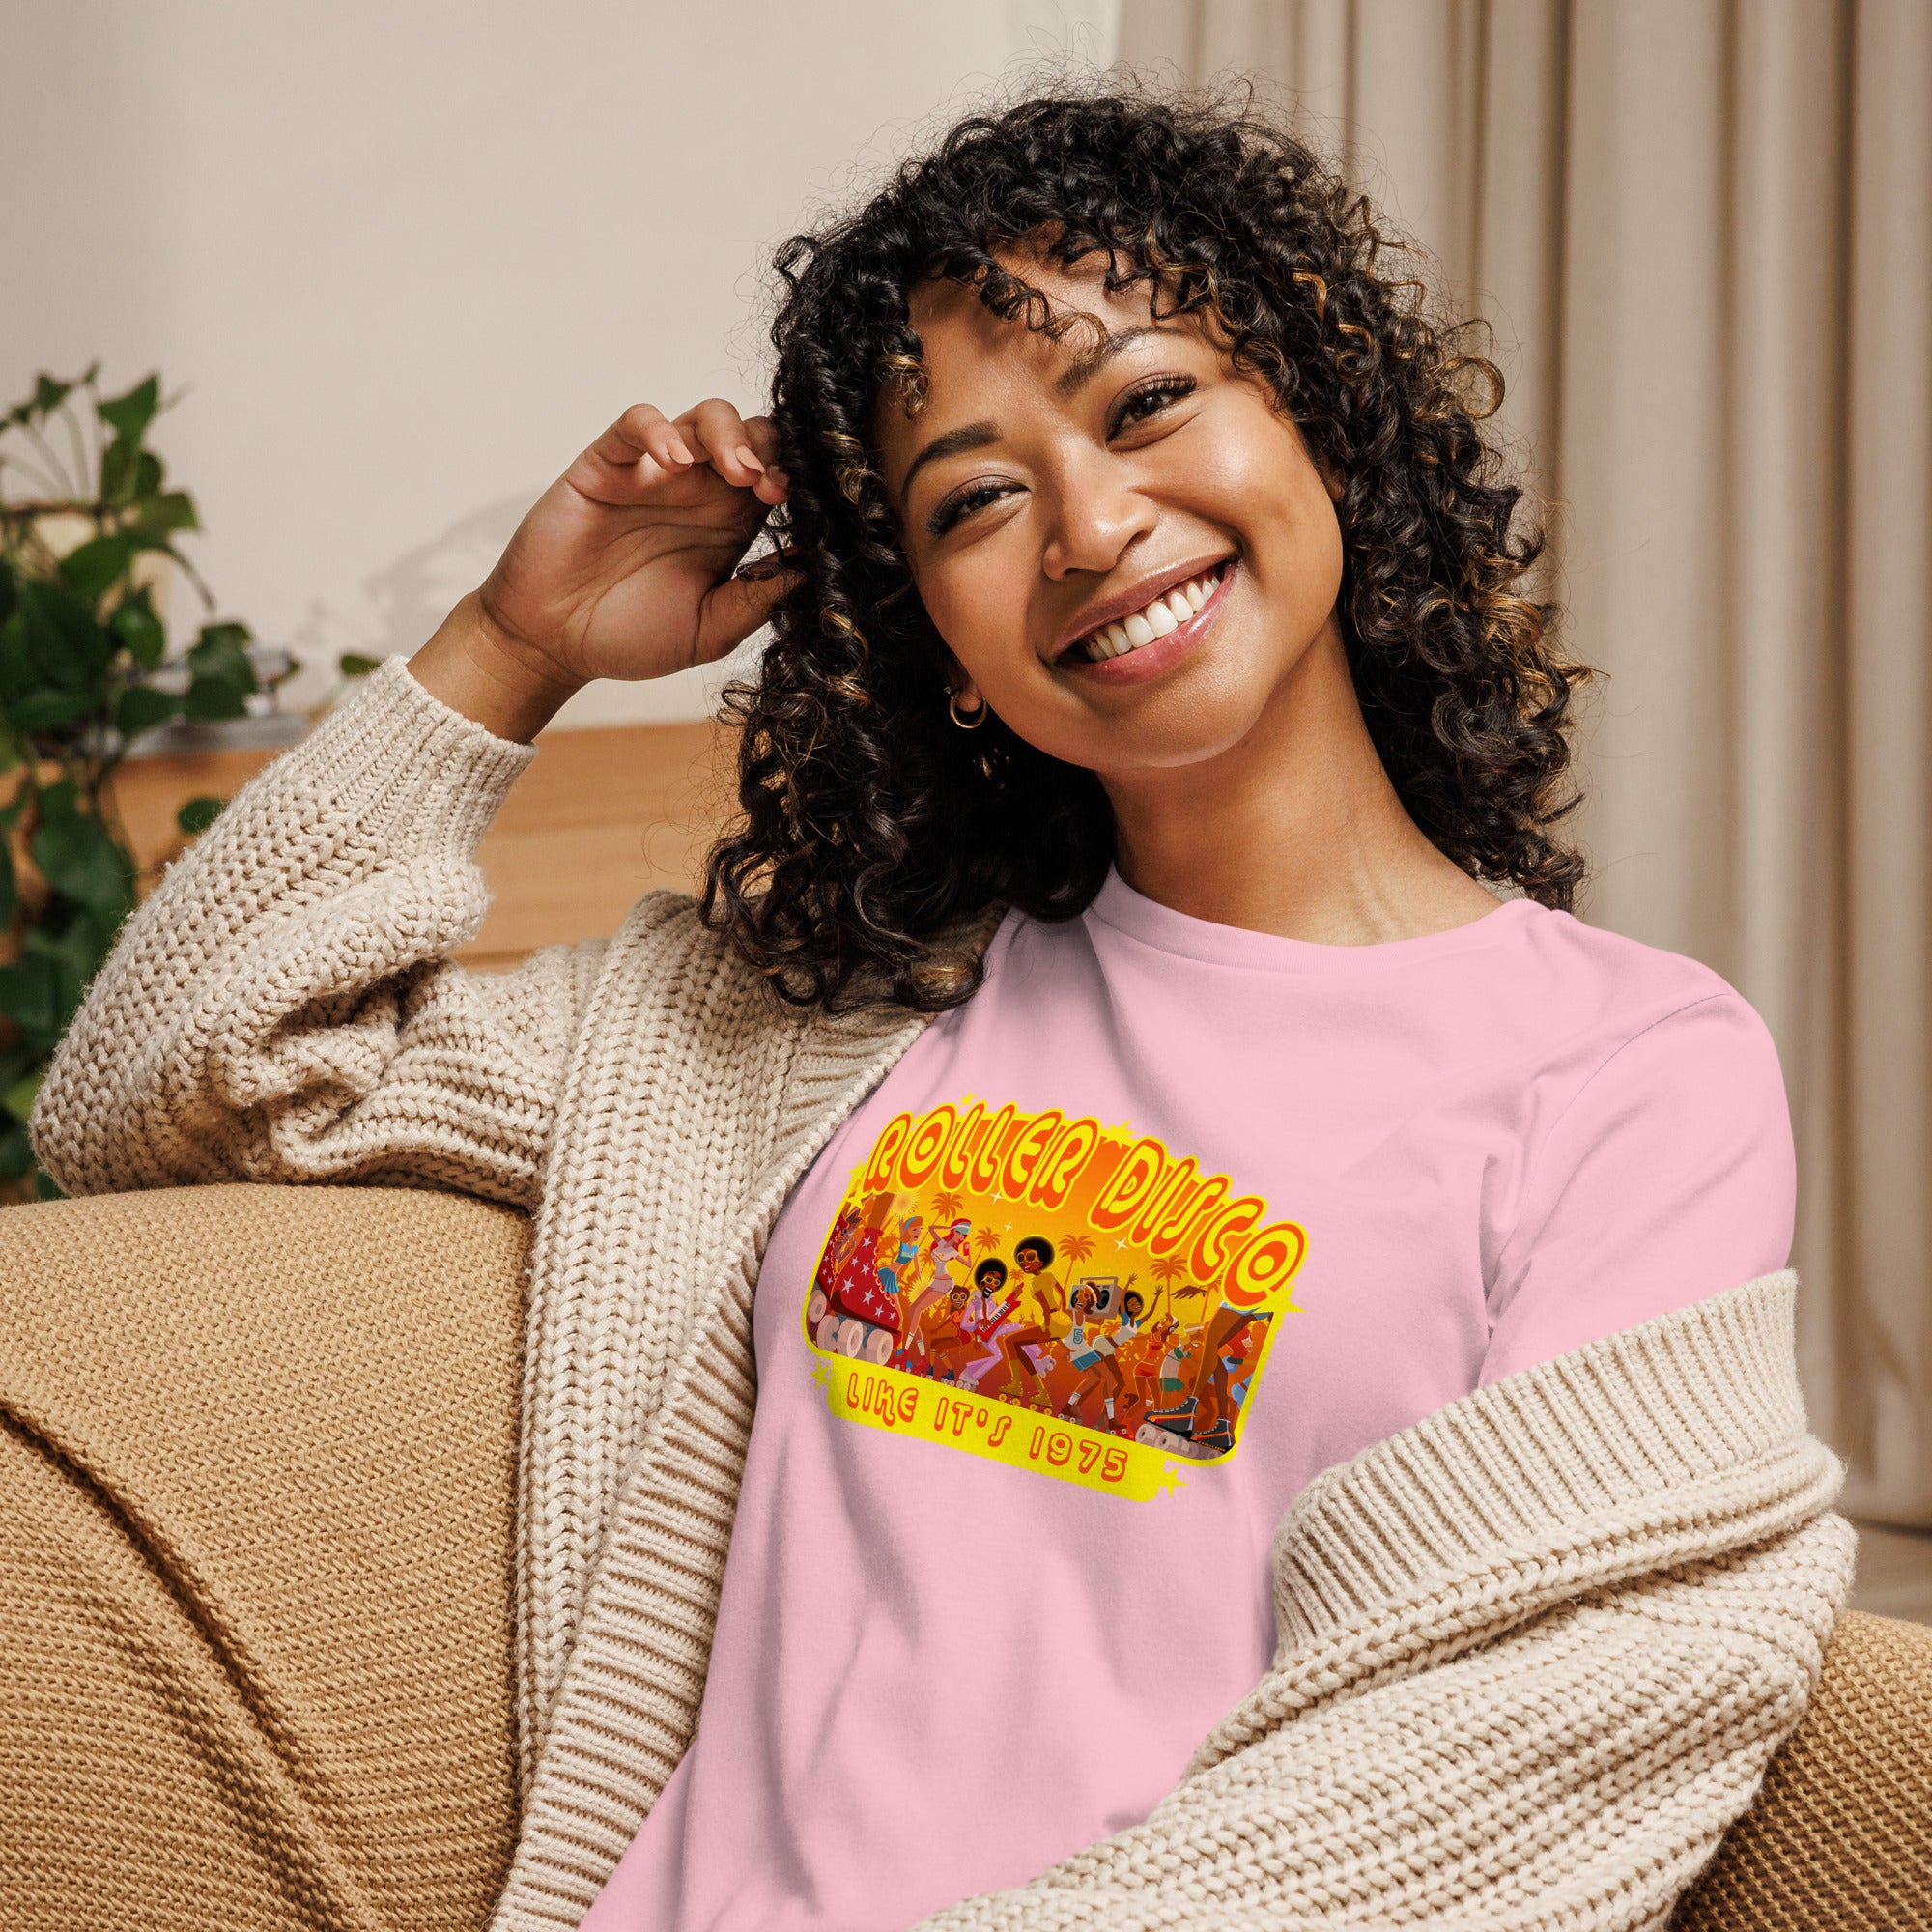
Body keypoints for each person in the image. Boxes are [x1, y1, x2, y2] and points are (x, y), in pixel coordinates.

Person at [21, 85, 1848, 1932]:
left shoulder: (1625, 1071)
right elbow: (175, 1088)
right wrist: (513, 646)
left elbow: (1523, 1731)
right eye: (975, 497)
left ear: (1322, 421)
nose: (1087, 521)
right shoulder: (817, 1026)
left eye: (1146, 403)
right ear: (937, 637)